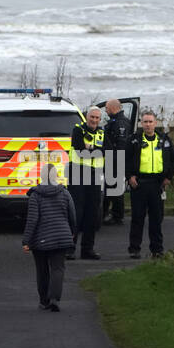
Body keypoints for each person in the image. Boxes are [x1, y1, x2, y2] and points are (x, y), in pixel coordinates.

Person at [125, 110, 174, 258]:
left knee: (156, 218)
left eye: (150, 122)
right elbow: (125, 160)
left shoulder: (164, 140)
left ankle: (157, 249)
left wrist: (168, 177)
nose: (148, 125)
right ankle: (134, 249)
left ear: (155, 123)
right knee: (137, 218)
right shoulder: (133, 140)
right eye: (145, 122)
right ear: (141, 123)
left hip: (157, 184)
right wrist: (129, 176)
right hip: (139, 184)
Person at [22, 163, 77, 311]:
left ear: (41, 176)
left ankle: (44, 300)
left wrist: (26, 240)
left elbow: (32, 219)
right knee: (58, 268)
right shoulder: (64, 193)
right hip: (61, 236)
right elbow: (72, 215)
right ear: (55, 176)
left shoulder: (35, 195)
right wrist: (72, 231)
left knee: (42, 270)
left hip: (40, 239)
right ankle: (55, 299)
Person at [66, 105, 105, 260]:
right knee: (76, 213)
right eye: (92, 117)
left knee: (92, 214)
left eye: (97, 118)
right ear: (86, 117)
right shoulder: (78, 130)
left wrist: (91, 148)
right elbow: (79, 149)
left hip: (94, 175)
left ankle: (87, 249)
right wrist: (94, 149)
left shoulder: (102, 133)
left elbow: (108, 150)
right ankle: (69, 248)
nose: (94, 120)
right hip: (78, 173)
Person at [101, 98, 132, 224]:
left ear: (113, 108)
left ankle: (117, 216)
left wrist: (114, 160)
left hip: (116, 160)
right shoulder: (115, 121)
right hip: (111, 159)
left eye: (107, 108)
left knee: (116, 189)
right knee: (109, 188)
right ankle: (105, 213)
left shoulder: (121, 123)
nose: (106, 110)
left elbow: (121, 144)